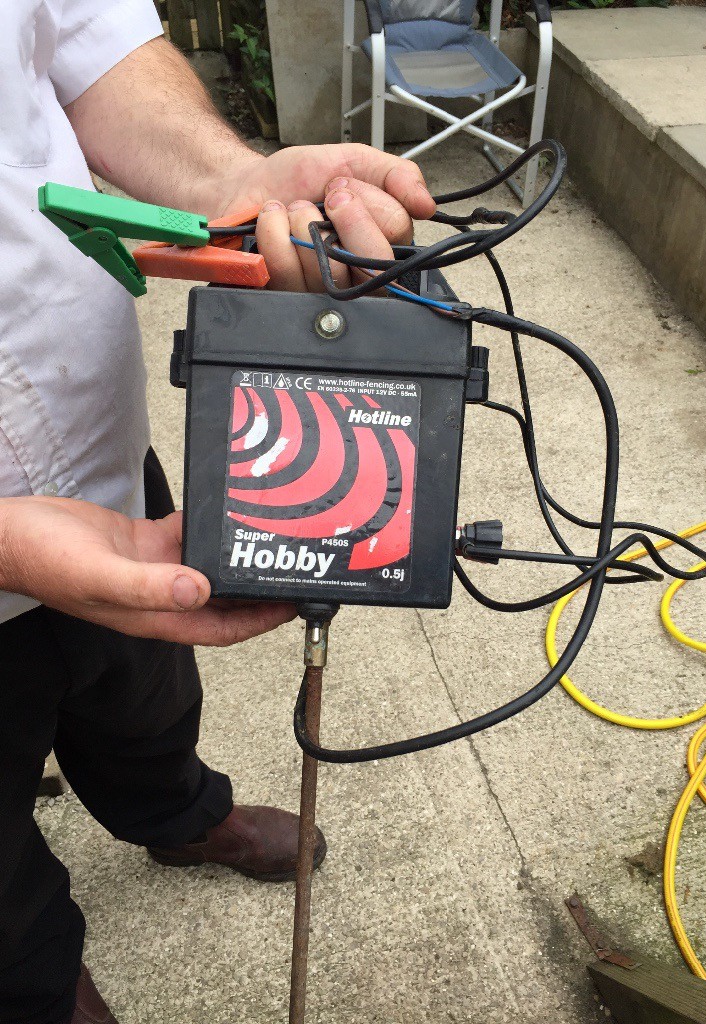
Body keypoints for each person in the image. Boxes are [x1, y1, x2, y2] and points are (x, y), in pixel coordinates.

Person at [0, 4, 436, 1023]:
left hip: (94, 460)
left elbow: (85, 33)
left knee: (142, 694)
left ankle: (176, 812)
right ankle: (40, 987)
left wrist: (227, 178)